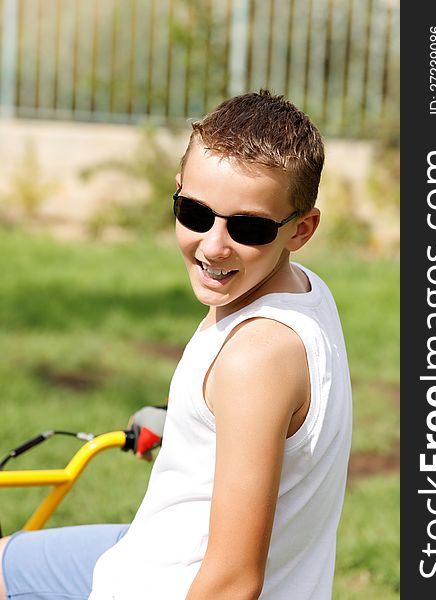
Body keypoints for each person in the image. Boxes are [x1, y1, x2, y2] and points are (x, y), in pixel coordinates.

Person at [0, 90, 352, 600]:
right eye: (195, 212)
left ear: (302, 229)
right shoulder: (300, 289)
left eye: (249, 227)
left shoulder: (257, 357)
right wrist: (185, 422)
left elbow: (232, 584)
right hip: (153, 549)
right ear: (179, 190)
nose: (213, 244)